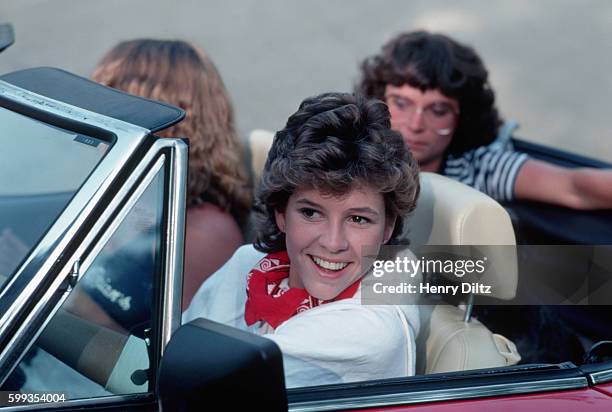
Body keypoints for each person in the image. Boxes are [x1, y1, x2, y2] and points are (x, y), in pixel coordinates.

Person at [184, 92, 421, 387]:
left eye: (358, 219)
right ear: (281, 212)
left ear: (387, 228)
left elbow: (208, 390)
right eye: (311, 213)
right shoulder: (247, 265)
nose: (333, 243)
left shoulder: (368, 331)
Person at [358, 30, 612, 209]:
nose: (415, 125)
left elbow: (574, 187)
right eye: (401, 104)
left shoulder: (478, 169)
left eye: (437, 110)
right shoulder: (353, 153)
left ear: (461, 118)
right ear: (379, 99)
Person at [92, 39, 252, 309]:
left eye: (107, 104)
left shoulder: (202, 233)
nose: (93, 118)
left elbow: (172, 347)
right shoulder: (126, 200)